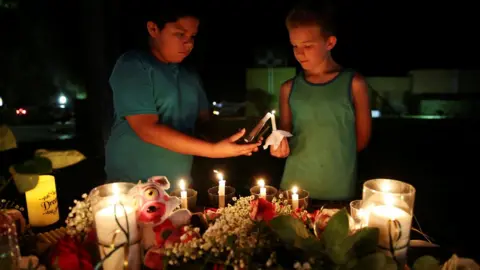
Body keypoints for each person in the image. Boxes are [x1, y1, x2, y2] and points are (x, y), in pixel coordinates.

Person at [105, 1, 260, 186]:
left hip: (177, 185)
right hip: (133, 185)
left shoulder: (189, 75)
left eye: (192, 36)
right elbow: (146, 129)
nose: (189, 43)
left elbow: (203, 124)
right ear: (153, 29)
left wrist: (238, 136)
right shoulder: (134, 65)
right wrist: (213, 150)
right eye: (179, 34)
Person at [270, 2, 372, 201]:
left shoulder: (354, 84)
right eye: (295, 46)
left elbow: (361, 139)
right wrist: (278, 145)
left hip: (338, 186)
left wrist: (334, 155)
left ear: (330, 43)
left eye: (307, 46)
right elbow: (285, 134)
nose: (299, 53)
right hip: (294, 185)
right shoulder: (288, 88)